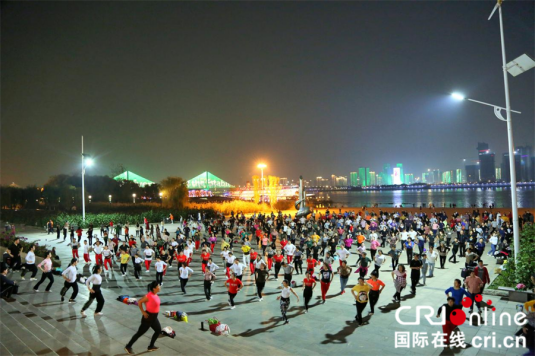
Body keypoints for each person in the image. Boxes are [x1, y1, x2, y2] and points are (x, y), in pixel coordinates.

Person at [125, 281, 162, 354]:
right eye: (158, 286)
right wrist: (143, 312)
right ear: (154, 288)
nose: (160, 287)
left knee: (158, 330)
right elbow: (139, 302)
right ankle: (128, 346)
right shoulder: (149, 296)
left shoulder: (155, 294)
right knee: (139, 333)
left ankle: (151, 346)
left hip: (154, 317)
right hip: (148, 317)